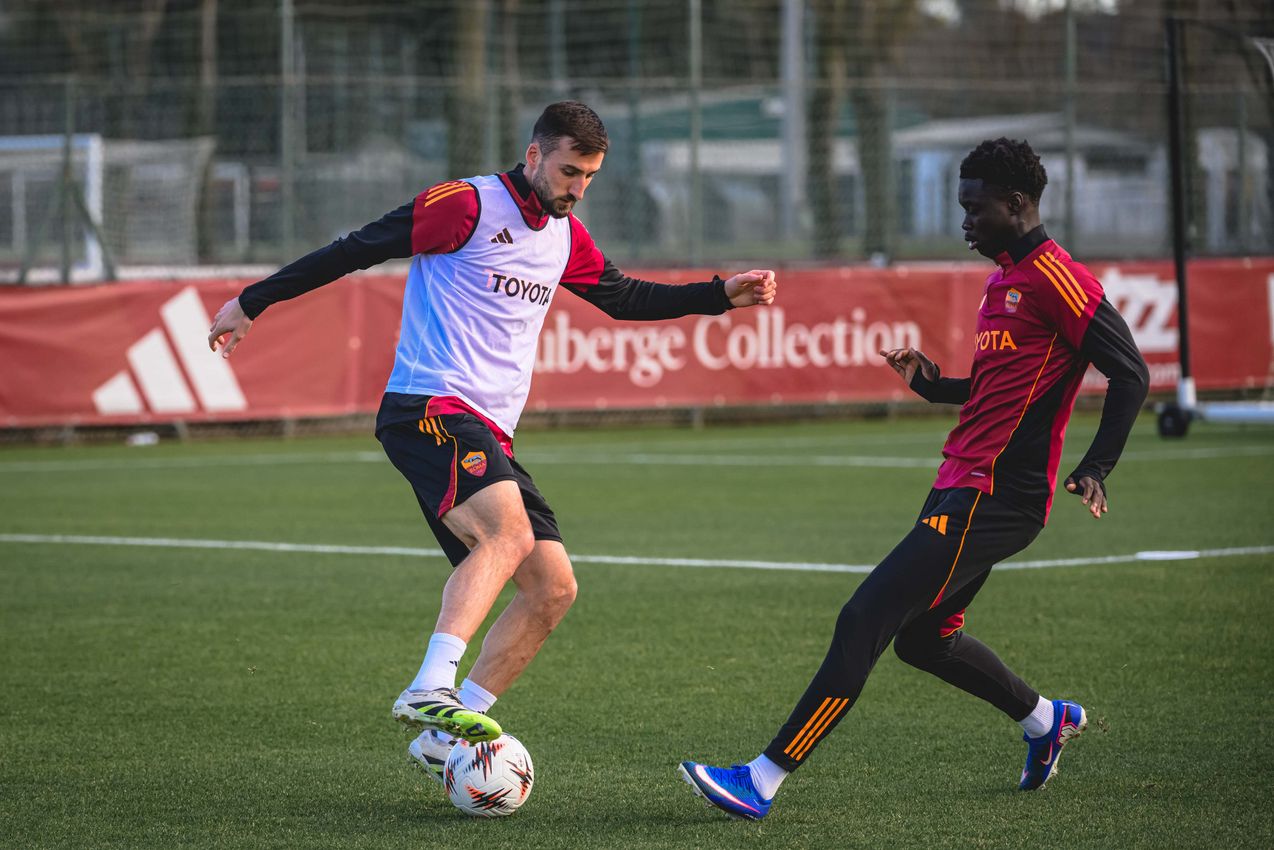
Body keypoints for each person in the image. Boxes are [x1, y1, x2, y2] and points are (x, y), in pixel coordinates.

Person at [207, 101, 777, 784]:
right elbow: (355, 248)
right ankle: (430, 686)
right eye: (570, 170)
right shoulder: (465, 205)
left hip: (488, 431)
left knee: (552, 589)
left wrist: (719, 294)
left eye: (590, 176)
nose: (578, 188)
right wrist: (252, 300)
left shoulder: (565, 236)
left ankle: (444, 740)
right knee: (505, 538)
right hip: (429, 406)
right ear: (533, 155)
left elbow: (624, 298)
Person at [679, 137, 1148, 820]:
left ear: (1017, 205)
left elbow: (1130, 370)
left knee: (863, 618)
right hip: (961, 484)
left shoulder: (1058, 277)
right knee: (926, 640)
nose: (964, 222)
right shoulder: (1007, 280)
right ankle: (1047, 720)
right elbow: (998, 392)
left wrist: (1095, 467)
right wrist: (933, 384)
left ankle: (762, 778)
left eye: (975, 208)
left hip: (995, 496)